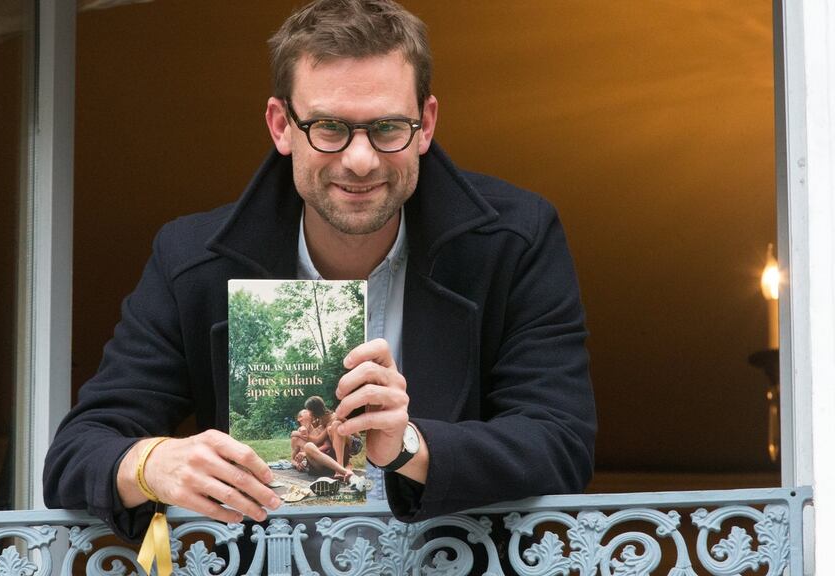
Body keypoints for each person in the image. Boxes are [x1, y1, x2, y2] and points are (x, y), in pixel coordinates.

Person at [43, 0, 596, 544]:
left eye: (386, 127)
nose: (360, 159)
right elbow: (74, 455)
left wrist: (409, 444)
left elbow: (561, 443)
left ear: (425, 125)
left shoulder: (515, 239)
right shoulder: (192, 259)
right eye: (329, 128)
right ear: (281, 125)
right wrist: (153, 462)